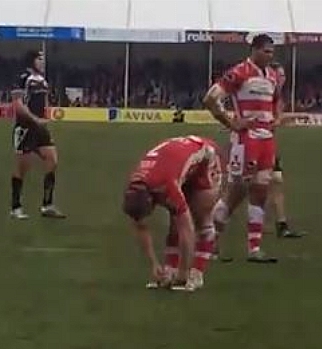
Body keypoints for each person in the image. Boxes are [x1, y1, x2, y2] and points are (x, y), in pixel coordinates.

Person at [202, 34, 281, 263]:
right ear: (254, 50)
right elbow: (210, 99)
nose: (270, 55)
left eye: (272, 51)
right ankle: (210, 240)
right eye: (266, 51)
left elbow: (277, 100)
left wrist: (275, 117)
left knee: (261, 189)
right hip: (246, 139)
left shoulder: (273, 76)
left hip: (266, 139)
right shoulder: (239, 72)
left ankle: (254, 249)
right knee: (236, 192)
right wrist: (231, 122)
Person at [122, 135, 222, 292]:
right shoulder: (136, 186)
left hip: (205, 157)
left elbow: (187, 228)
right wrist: (154, 264)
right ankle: (169, 270)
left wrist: (184, 272)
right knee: (175, 221)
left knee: (200, 218)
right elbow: (139, 225)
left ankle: (196, 273)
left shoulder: (165, 185)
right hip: (176, 164)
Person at [10, 50, 65, 219]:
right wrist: (35, 119)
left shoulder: (43, 80)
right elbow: (18, 104)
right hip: (25, 127)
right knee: (23, 168)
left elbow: (44, 102)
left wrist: (45, 116)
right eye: (39, 59)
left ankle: (47, 204)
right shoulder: (23, 78)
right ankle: (15, 207)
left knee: (52, 160)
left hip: (40, 127)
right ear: (32, 60)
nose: (42, 62)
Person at [267, 61, 306, 239]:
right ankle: (213, 225)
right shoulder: (264, 95)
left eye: (284, 75)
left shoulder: (276, 96)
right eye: (280, 75)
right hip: (255, 144)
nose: (283, 79)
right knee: (240, 189)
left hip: (268, 145)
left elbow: (277, 120)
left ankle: (282, 225)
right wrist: (296, 116)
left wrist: (295, 116)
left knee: (276, 182)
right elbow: (274, 121)